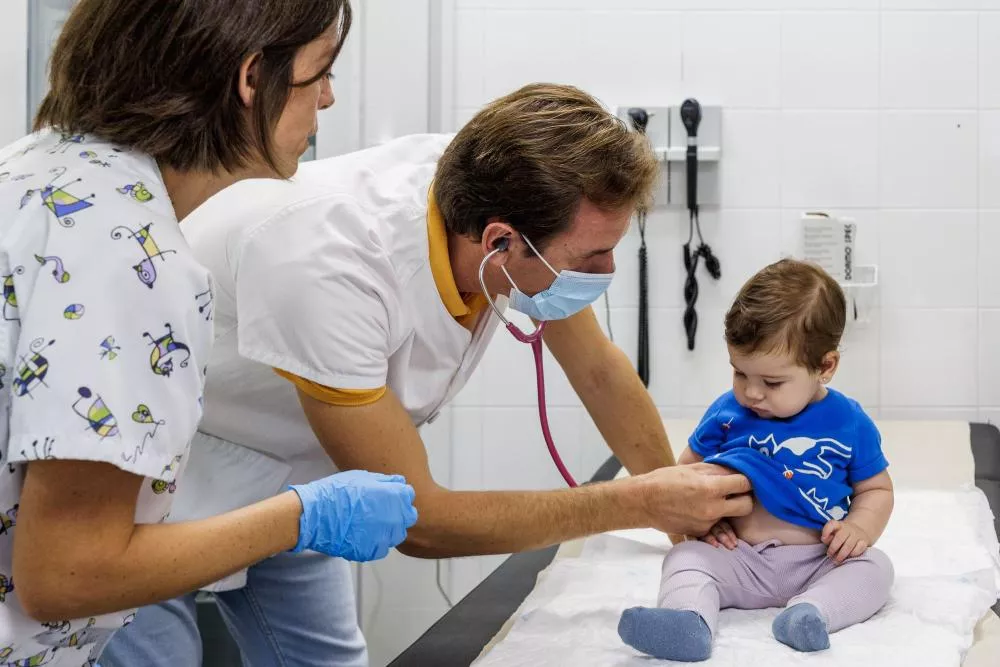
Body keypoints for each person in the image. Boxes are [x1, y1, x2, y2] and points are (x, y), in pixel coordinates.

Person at [104, 82, 755, 665]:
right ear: (500, 241)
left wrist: (676, 504)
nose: (607, 273)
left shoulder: (502, 187)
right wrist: (635, 502)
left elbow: (599, 372)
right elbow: (421, 522)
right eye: (593, 255)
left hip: (295, 473)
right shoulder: (331, 261)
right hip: (141, 470)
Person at [0, 2, 418, 665]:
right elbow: (66, 572)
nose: (329, 98)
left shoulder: (44, 168)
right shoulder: (132, 257)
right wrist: (299, 516)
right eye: (320, 73)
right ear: (252, 79)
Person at [617, 259, 895, 662]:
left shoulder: (850, 422)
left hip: (819, 560)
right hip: (736, 559)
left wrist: (859, 527)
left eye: (772, 382)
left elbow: (876, 488)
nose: (751, 393)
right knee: (684, 559)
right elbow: (685, 474)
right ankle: (687, 622)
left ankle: (811, 613)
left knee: (875, 568)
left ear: (825, 367)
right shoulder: (727, 414)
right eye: (739, 373)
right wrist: (701, 527)